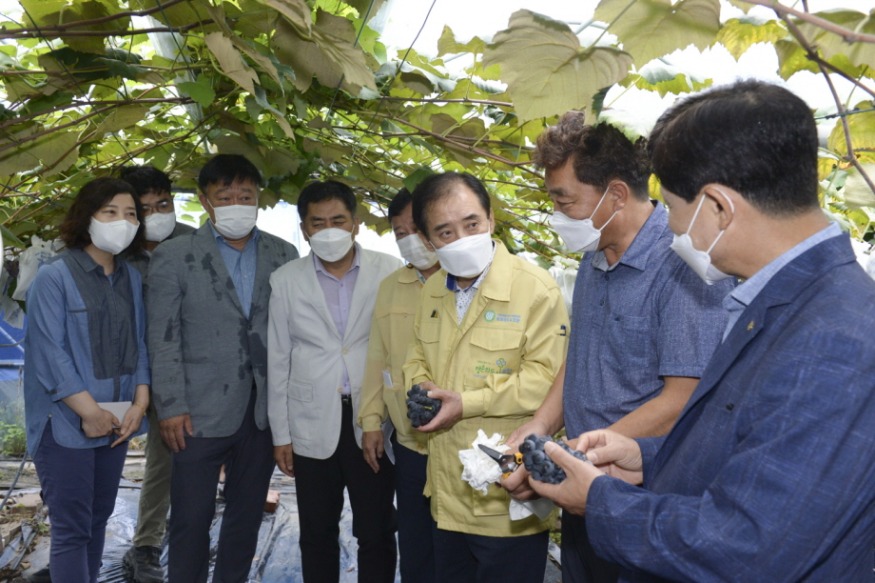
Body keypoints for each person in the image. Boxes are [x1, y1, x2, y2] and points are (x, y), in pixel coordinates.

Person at [530, 80, 875, 581]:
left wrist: (602, 503)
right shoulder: (780, 301)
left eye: (672, 206)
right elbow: (749, 450)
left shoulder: (836, 337)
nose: (670, 227)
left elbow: (749, 547)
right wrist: (645, 457)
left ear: (718, 206)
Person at [502, 115, 732, 583]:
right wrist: (543, 424)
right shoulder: (593, 257)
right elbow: (582, 352)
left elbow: (682, 397)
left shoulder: (680, 267)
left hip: (642, 492)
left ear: (616, 195)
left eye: (563, 199)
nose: (556, 213)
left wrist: (577, 457)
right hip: (584, 482)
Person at [402, 172, 569, 583]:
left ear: (491, 219)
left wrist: (467, 402)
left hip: (506, 495)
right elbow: (416, 357)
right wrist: (421, 389)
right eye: (446, 231)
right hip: (447, 495)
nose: (462, 238)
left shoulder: (535, 290)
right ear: (428, 241)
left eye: (471, 224)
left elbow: (548, 382)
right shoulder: (431, 294)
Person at [146, 154, 299, 583]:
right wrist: (171, 404)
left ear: (258, 199)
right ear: (205, 201)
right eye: (224, 196)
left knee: (246, 515)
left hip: (261, 412)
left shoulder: (283, 253)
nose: (236, 203)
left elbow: (290, 334)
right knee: (190, 519)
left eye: (245, 196)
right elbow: (162, 337)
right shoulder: (176, 255)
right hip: (196, 411)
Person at [267, 180, 400, 583]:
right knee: (316, 530)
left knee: (376, 529)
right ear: (305, 228)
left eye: (338, 220)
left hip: (373, 419)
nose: (329, 230)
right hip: (311, 418)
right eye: (318, 222)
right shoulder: (286, 279)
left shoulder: (389, 272)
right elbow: (278, 357)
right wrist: (281, 435)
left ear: (356, 223)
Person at [24, 177, 150, 583]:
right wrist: (88, 411)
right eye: (109, 212)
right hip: (66, 423)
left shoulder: (131, 278)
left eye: (130, 213)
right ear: (87, 217)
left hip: (116, 421)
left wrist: (141, 403)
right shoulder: (54, 276)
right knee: (71, 528)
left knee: (97, 520)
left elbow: (141, 343)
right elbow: (49, 353)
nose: (122, 221)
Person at [357, 188, 441, 583]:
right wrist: (371, 420)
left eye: (415, 228)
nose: (409, 238)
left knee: (456, 545)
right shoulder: (392, 286)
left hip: (458, 439)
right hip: (409, 443)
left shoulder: (464, 279)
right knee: (414, 541)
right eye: (399, 231)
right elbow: (378, 358)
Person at [118, 165, 194, 583]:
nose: (156, 214)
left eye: (163, 204)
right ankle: (74, 548)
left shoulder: (193, 242)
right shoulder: (113, 247)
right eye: (144, 208)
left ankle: (147, 545)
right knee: (97, 460)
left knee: (166, 460)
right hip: (122, 373)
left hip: (173, 372)